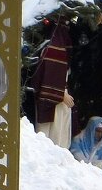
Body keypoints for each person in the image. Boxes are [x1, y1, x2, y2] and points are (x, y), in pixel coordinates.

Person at [31, 20, 75, 148]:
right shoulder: (54, 48)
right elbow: (48, 75)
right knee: (52, 137)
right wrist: (60, 94)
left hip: (61, 98)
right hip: (54, 101)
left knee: (59, 136)